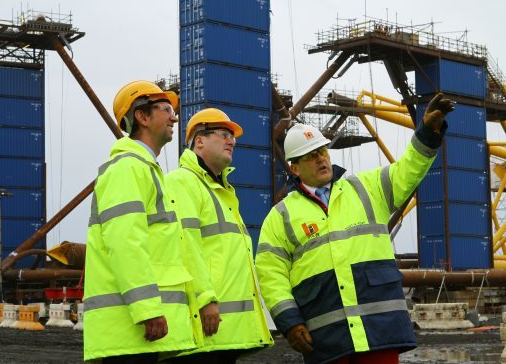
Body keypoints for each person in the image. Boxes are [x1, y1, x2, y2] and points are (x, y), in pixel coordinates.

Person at [255, 93, 454, 364]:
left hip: (378, 330)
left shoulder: (366, 188)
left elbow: (408, 171)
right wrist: (289, 321)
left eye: (322, 151)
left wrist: (427, 135)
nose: (321, 158)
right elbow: (271, 274)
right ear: (294, 167)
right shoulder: (280, 217)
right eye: (311, 155)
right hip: (327, 338)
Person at [83, 80, 196, 363]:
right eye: (166, 109)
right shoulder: (128, 169)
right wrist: (147, 309)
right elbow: (125, 243)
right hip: (130, 332)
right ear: (142, 117)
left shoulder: (145, 170)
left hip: (137, 333)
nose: (174, 116)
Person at [165, 108, 273, 363]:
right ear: (200, 140)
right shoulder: (182, 182)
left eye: (232, 136)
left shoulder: (222, 190)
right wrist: (204, 300)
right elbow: (185, 245)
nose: (231, 141)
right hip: (204, 325)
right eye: (224, 134)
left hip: (224, 330)